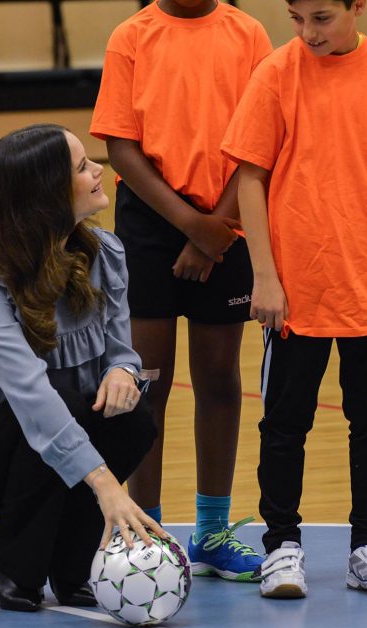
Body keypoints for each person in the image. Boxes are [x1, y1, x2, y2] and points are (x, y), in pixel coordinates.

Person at [221, 0, 367, 599]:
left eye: (321, 18)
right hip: (296, 290)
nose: (307, 32)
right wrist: (265, 277)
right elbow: (250, 179)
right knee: (284, 423)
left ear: (357, 8)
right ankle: (282, 546)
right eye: (296, 18)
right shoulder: (275, 73)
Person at [0, 124, 166, 612]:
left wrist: (122, 371)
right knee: (57, 412)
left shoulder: (106, 253)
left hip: (60, 428)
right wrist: (107, 487)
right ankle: (17, 567)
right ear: (47, 192)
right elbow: (30, 396)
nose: (99, 170)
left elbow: (121, 348)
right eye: (81, 167)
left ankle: (73, 569)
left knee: (131, 421)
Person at [90, 0, 272, 581]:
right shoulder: (132, 36)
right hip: (150, 223)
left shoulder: (247, 34)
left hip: (231, 218)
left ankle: (212, 532)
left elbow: (260, 142)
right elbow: (121, 146)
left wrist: (216, 229)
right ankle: (149, 531)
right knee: (147, 383)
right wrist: (192, 227)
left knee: (220, 378)